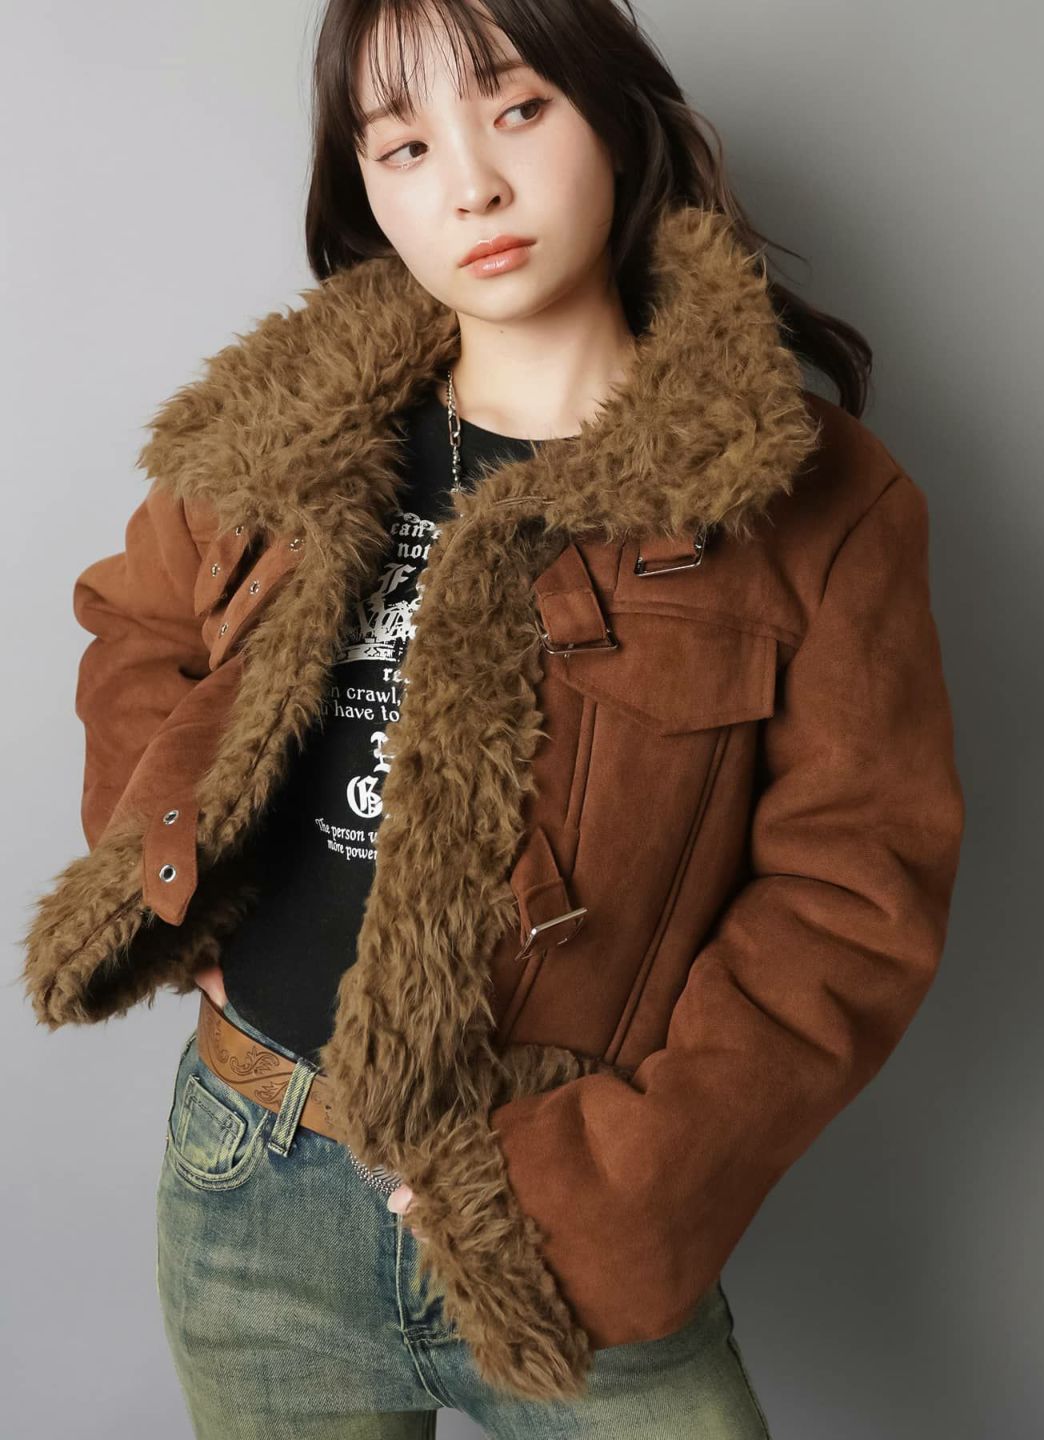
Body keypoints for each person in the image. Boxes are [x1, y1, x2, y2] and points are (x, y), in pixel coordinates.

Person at [22, 0, 966, 1435]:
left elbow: (854, 894)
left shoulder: (810, 500)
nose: (470, 186)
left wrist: (624, 1180)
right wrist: (178, 879)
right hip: (253, 1181)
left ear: (616, 115)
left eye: (519, 109)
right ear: (366, 188)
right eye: (404, 146)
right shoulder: (287, 432)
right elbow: (137, 630)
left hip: (565, 1221)